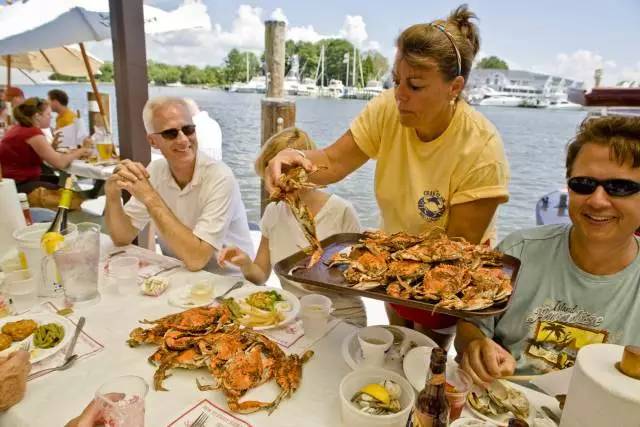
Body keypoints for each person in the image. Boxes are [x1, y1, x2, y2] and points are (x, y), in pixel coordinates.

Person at [265, 5, 509, 347]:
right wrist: (295, 159)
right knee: (397, 341)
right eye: (396, 80)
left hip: (448, 275)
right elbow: (333, 162)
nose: (400, 94)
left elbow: (452, 255)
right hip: (393, 260)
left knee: (426, 352)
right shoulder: (387, 110)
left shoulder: (481, 150)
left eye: (415, 85)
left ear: (454, 87)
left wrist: (379, 264)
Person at [455, 116, 640, 386]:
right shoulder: (517, 252)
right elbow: (471, 325)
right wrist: (476, 346)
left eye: (619, 188)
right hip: (501, 401)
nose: (598, 200)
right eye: (583, 184)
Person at [218, 127, 368, 326]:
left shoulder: (341, 211)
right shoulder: (274, 212)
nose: (274, 185)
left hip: (341, 315)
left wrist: (324, 269)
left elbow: (359, 278)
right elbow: (260, 276)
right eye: (269, 178)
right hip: (291, 315)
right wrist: (245, 262)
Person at [105, 96, 254, 272]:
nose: (183, 139)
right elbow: (122, 238)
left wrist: (150, 198)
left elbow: (197, 259)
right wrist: (112, 195)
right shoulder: (155, 170)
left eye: (188, 129)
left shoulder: (220, 176)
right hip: (182, 277)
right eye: (171, 133)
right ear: (153, 141)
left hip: (231, 283)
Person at [0, 97, 91, 193]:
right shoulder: (31, 132)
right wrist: (83, 149)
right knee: (69, 193)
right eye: (48, 114)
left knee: (61, 182)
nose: (51, 117)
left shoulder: (19, 128)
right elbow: (60, 163)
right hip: (20, 185)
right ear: (37, 116)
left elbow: (27, 155)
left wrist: (52, 147)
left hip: (14, 181)